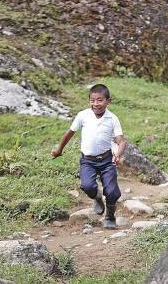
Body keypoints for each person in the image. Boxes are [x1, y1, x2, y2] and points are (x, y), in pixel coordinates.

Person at [51, 84, 125, 229]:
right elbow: (69, 134)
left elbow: (121, 141)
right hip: (88, 161)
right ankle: (97, 198)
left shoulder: (112, 119)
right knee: (87, 186)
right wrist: (59, 150)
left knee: (112, 191)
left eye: (100, 100)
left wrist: (118, 154)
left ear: (108, 101)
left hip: (106, 160)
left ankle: (110, 217)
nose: (96, 104)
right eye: (92, 100)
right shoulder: (83, 115)